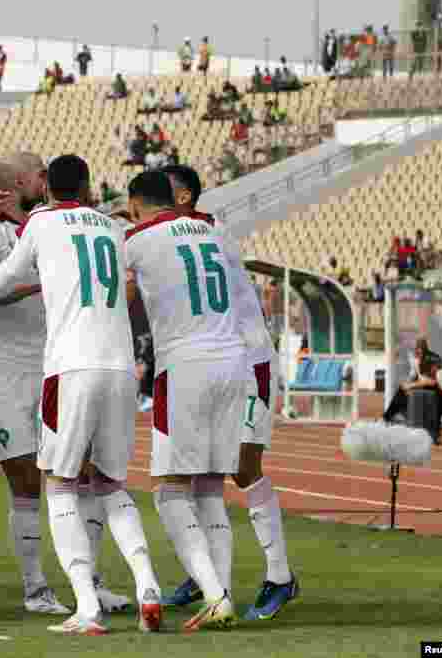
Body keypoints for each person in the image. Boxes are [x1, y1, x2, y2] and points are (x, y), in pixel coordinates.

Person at [0, 155, 163, 636]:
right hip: (122, 366)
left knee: (60, 483)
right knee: (110, 484)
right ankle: (147, 583)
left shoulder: (41, 221)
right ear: (86, 187)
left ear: (46, 189)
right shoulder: (110, 227)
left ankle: (86, 606)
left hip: (71, 367)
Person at [157, 164, 299, 622]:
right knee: (203, 471)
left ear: (182, 199)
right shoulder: (189, 232)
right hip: (218, 361)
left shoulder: (206, 228)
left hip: (248, 357)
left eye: (164, 195)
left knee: (243, 467)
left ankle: (280, 576)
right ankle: (209, 577)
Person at [124, 169, 248, 630]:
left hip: (186, 365)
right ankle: (223, 592)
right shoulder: (212, 228)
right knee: (211, 489)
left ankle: (215, 596)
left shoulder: (136, 237)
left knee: (170, 491)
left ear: (136, 203)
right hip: (231, 358)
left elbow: (111, 286)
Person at [0, 152, 76, 616]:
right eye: (40, 175)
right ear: (16, 184)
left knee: (75, 473)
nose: (46, 182)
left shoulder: (50, 225)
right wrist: (46, 284)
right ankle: (35, 587)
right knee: (25, 480)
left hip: (54, 360)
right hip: (4, 365)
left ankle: (88, 579)